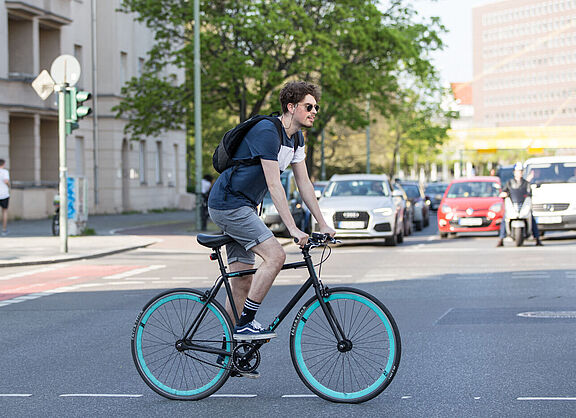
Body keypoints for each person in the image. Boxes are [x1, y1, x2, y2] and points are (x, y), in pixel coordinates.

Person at [208, 81, 335, 353]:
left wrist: (322, 223)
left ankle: (228, 352)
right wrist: (293, 229)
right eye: (308, 106)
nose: (314, 112)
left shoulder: (297, 138)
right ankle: (246, 324)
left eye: (316, 107)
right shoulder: (267, 131)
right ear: (291, 107)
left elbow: (305, 184)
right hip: (228, 204)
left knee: (242, 280)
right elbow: (274, 184)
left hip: (245, 207)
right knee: (276, 256)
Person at [496, 162, 542, 247]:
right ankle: (501, 239)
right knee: (504, 219)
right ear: (514, 172)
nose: (519, 173)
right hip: (513, 206)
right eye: (517, 171)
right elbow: (504, 191)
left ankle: (537, 238)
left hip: (523, 205)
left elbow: (529, 193)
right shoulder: (509, 183)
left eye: (520, 171)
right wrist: (503, 194)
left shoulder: (526, 183)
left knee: (531, 218)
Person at [0, 159, 10, 236]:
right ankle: (4, 229)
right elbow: (6, 181)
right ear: (3, 164)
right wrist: (9, 186)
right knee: (4, 211)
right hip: (4, 194)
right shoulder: (5, 172)